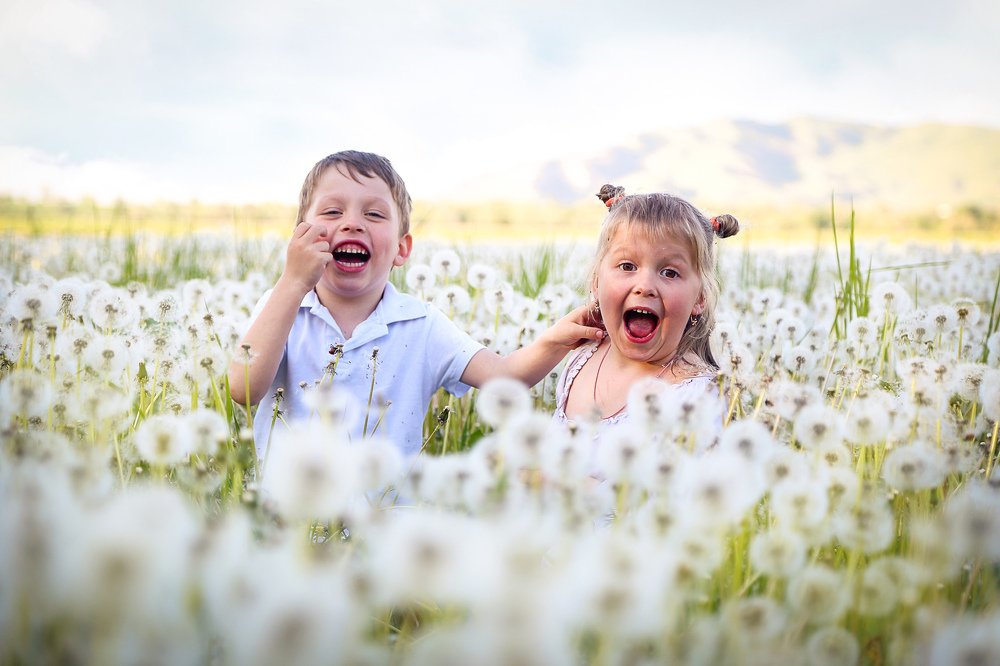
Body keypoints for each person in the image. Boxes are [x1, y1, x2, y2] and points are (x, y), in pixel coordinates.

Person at [228, 150, 602, 457]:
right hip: (288, 524)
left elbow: (502, 377)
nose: (352, 224)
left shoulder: (421, 325)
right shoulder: (282, 307)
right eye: (332, 212)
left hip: (383, 524)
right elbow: (243, 389)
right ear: (300, 237)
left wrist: (553, 342)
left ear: (402, 249)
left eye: (373, 214)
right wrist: (292, 283)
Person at [553, 184, 739, 430]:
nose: (645, 286)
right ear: (597, 281)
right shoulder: (582, 358)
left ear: (700, 298)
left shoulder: (697, 399)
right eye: (627, 266)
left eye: (670, 273)